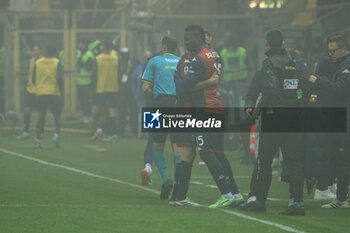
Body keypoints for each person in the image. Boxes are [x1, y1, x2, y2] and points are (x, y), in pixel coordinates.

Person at [174, 25, 243, 208]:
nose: (185, 42)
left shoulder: (197, 60)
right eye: (184, 38)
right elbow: (211, 80)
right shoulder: (215, 54)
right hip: (217, 106)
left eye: (189, 38)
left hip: (204, 108)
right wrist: (207, 82)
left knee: (205, 151)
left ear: (200, 38)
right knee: (218, 153)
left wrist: (181, 81)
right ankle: (235, 193)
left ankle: (226, 193)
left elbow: (183, 87)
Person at [239, 29, 305, 216]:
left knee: (264, 161)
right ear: (283, 43)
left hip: (274, 117)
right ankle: (297, 204)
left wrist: (258, 108)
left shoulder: (269, 64)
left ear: (267, 44)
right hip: (292, 117)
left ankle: (259, 201)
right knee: (294, 162)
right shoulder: (294, 63)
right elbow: (301, 89)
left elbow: (270, 90)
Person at [308, 33, 350, 208]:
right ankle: (340, 197)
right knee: (340, 158)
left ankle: (341, 198)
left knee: (342, 158)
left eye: (333, 51)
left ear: (344, 49)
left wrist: (319, 80)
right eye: (329, 51)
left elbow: (340, 89)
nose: (330, 54)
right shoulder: (339, 64)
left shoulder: (346, 65)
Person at [141, 36, 180, 200]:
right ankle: (179, 184)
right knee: (178, 146)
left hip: (158, 103)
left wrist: (154, 96)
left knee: (157, 145)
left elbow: (144, 87)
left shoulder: (154, 61)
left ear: (163, 46)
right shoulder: (181, 62)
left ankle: (166, 179)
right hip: (178, 104)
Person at [33, 45, 63, 148]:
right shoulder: (57, 62)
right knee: (57, 116)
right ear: (55, 52)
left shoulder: (38, 62)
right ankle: (55, 134)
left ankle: (37, 140)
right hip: (53, 92)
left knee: (41, 116)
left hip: (41, 93)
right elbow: (60, 79)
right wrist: (61, 90)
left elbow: (33, 78)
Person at [91, 40, 119, 142]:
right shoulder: (116, 59)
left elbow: (94, 75)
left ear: (104, 47)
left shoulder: (98, 59)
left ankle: (103, 132)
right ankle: (113, 134)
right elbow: (119, 73)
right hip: (113, 88)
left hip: (101, 88)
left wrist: (92, 88)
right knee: (112, 112)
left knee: (102, 112)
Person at [16, 44, 42, 139]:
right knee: (27, 110)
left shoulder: (43, 62)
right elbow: (31, 73)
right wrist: (28, 81)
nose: (35, 52)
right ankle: (26, 131)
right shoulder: (31, 61)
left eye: (37, 50)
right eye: (34, 50)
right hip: (30, 89)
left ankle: (40, 132)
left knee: (40, 111)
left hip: (39, 90)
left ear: (40, 51)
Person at [76, 39, 95, 123]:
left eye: (80, 44)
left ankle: (88, 115)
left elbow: (89, 67)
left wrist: (81, 63)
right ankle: (85, 115)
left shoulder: (89, 54)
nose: (78, 45)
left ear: (84, 44)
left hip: (86, 81)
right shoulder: (78, 53)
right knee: (82, 100)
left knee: (86, 100)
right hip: (78, 81)